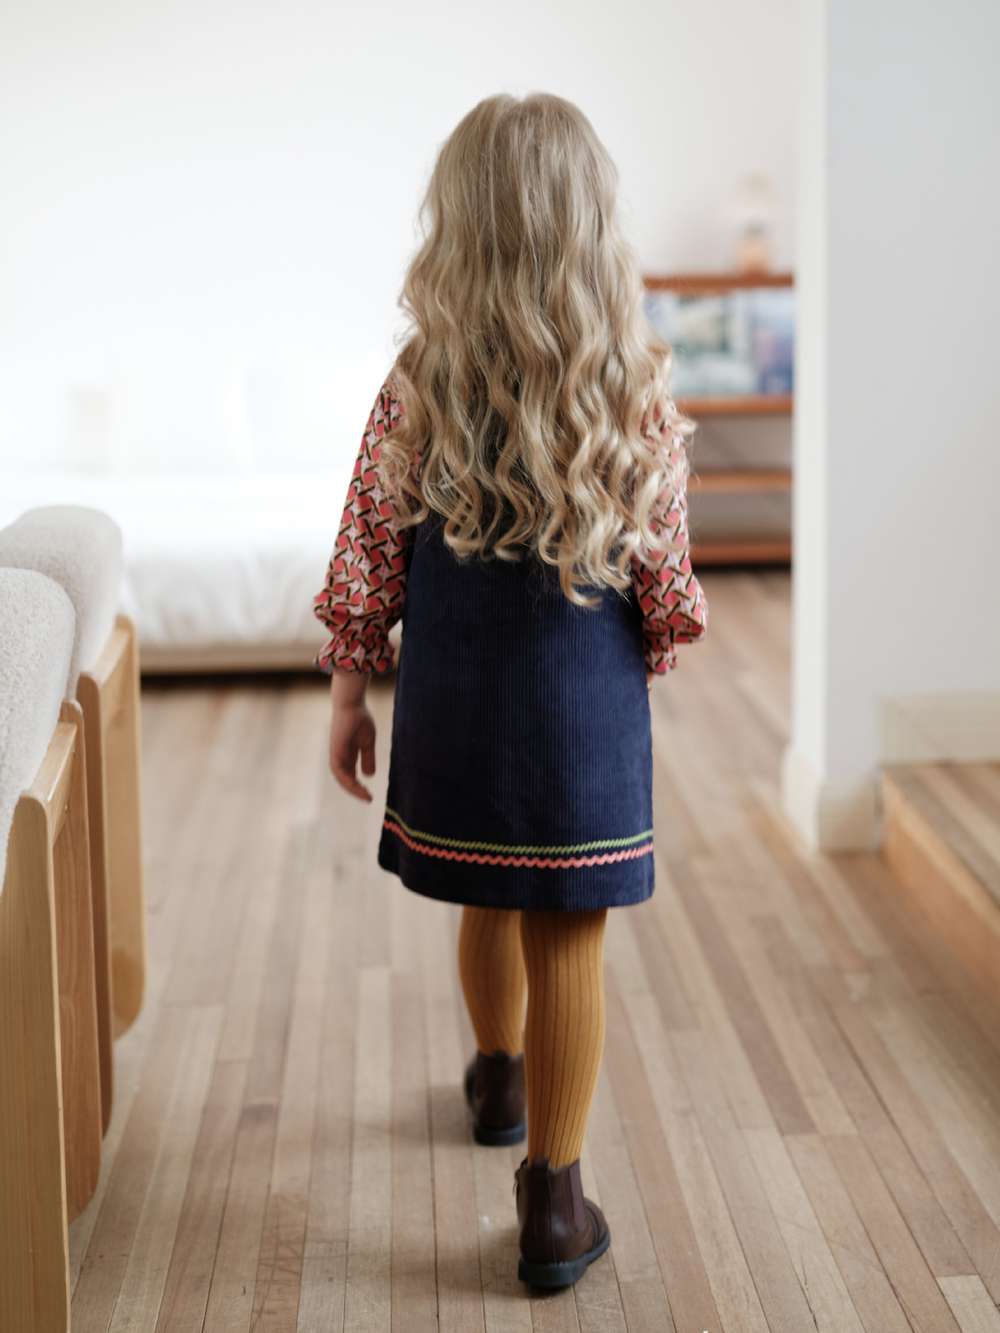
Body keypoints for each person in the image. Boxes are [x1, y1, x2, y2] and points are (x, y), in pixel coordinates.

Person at [313, 92, 707, 1291]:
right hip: (581, 711)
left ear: (459, 225)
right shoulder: (629, 385)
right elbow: (665, 575)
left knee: (487, 888)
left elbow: (368, 545)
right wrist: (657, 650)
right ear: (592, 226)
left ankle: (496, 1078)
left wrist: (349, 688)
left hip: (457, 702)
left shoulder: (419, 381)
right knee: (568, 930)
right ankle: (555, 1201)